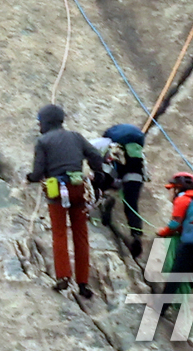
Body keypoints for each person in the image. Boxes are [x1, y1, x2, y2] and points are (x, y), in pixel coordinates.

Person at [26, 103, 105, 298]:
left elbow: (38, 173)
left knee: (59, 234)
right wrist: (98, 173)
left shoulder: (43, 141)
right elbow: (95, 155)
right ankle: (83, 283)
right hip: (78, 188)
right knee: (81, 236)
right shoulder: (75, 137)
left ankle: (63, 277)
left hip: (57, 191)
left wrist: (30, 177)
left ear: (45, 122)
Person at [91, 121, 146, 258]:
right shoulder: (138, 153)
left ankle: (102, 198)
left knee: (96, 181)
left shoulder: (104, 142)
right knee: (132, 204)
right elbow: (144, 173)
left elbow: (86, 151)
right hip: (134, 175)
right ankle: (136, 234)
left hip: (110, 172)